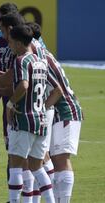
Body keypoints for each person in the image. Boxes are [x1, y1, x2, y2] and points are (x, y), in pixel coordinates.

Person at [6, 25, 55, 203]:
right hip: (41, 120)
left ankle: (14, 201)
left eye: (11, 41)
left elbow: (24, 85)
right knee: (37, 166)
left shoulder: (21, 60)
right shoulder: (41, 61)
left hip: (25, 118)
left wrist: (10, 104)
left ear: (19, 43)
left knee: (16, 165)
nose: (9, 44)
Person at [44, 52, 83, 203]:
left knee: (61, 159)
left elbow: (59, 89)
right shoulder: (42, 55)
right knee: (50, 159)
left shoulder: (40, 56)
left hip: (65, 112)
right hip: (55, 114)